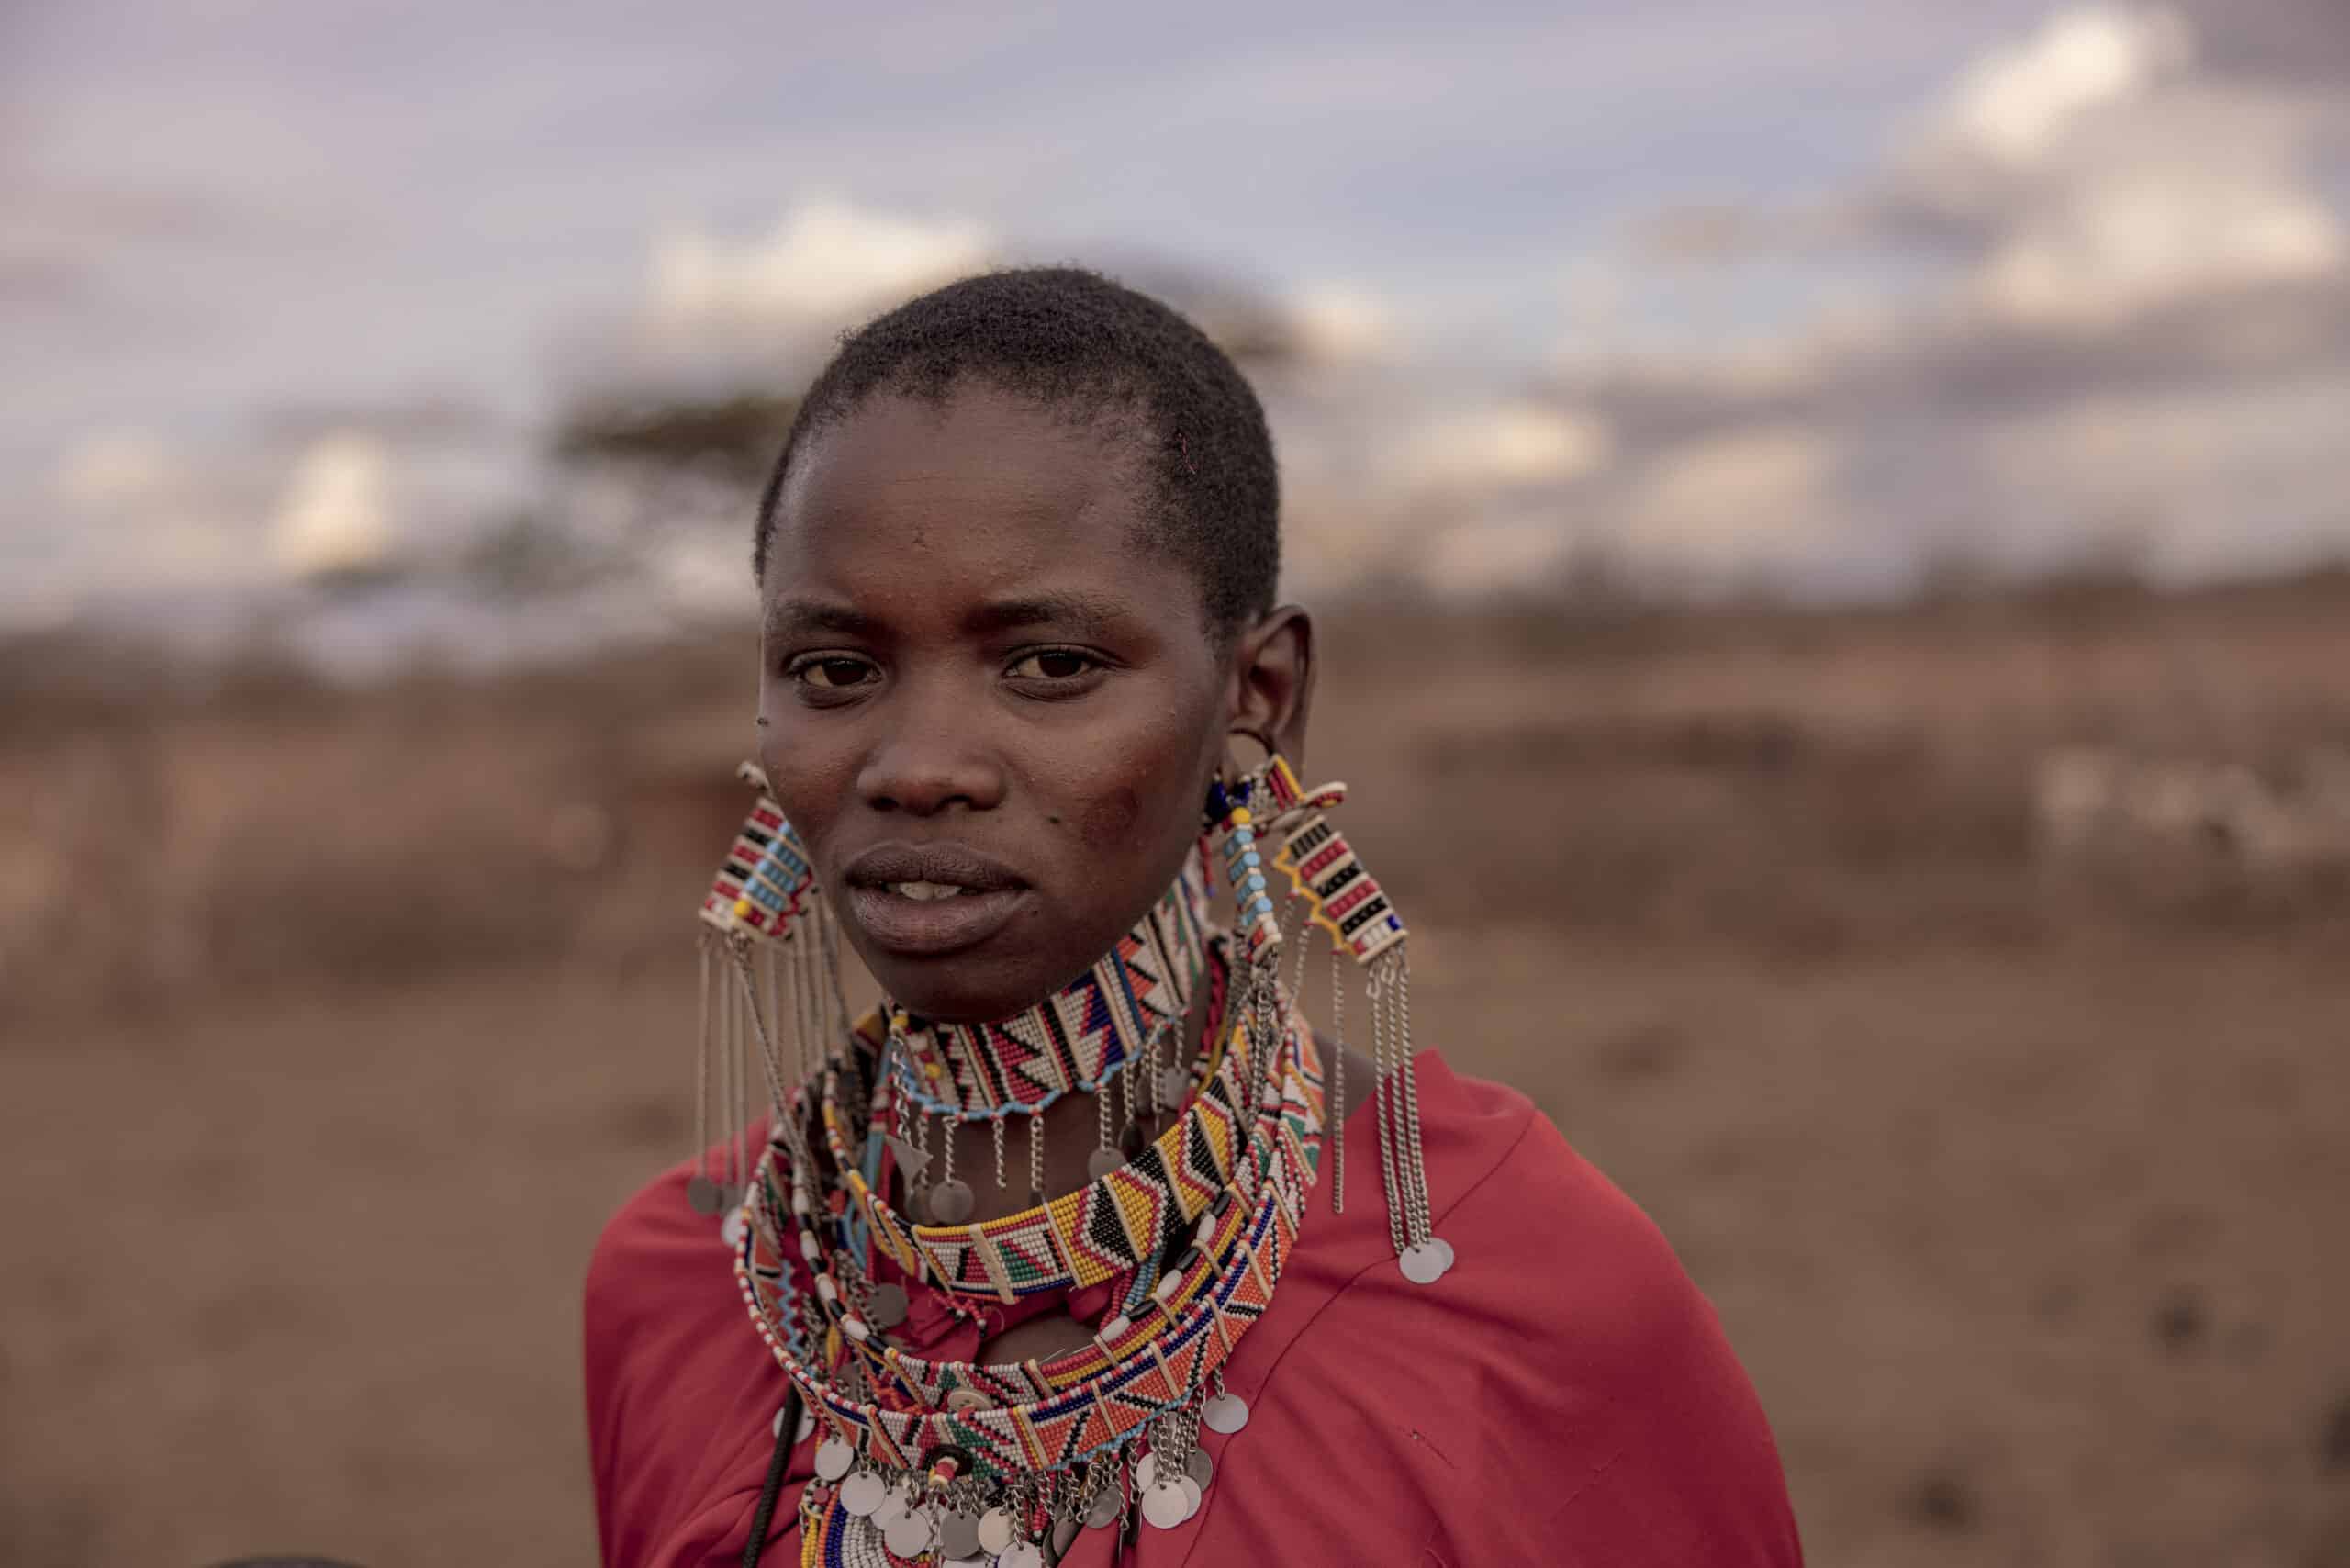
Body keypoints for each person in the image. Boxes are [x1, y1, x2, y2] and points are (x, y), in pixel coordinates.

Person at [583, 267, 1804, 1567]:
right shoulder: (684, 1286)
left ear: (1258, 697)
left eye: (1051, 665)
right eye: (836, 671)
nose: (917, 763)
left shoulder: (1527, 1299)